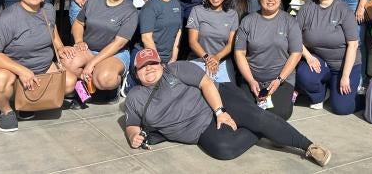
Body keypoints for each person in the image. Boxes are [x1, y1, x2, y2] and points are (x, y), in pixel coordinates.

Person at [123, 48, 331, 166]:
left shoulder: (175, 70)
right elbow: (132, 123)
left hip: (217, 99)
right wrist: (133, 135)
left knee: (257, 117)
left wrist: (220, 112)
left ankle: (308, 146)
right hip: (200, 130)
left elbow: (206, 83)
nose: (148, 69)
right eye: (143, 66)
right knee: (224, 150)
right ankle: (264, 127)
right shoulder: (134, 97)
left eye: (152, 63)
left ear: (161, 64)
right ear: (136, 71)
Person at [0, 0, 77, 131]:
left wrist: (60, 47)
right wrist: (22, 70)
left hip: (43, 67)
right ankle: (5, 108)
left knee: (69, 83)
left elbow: (51, 29)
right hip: (13, 69)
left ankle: (26, 104)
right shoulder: (6, 19)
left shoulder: (48, 9)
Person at [295, 0, 362, 115]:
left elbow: (353, 44)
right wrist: (308, 56)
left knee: (342, 109)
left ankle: (359, 98)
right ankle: (320, 95)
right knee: (304, 73)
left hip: (344, 66)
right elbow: (294, 37)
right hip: (320, 62)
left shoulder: (343, 9)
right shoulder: (306, 8)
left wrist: (345, 76)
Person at [234, 0, 302, 120]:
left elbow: (296, 53)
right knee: (242, 111)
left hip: (280, 80)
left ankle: (289, 96)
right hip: (252, 80)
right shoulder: (248, 21)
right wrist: (251, 80)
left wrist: (278, 79)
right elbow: (239, 53)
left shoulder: (290, 21)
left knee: (279, 114)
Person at [66, 0, 138, 93]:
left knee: (105, 79)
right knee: (67, 63)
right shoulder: (93, 1)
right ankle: (83, 89)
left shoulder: (130, 10)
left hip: (115, 53)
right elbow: (78, 23)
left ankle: (111, 88)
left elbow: (119, 43)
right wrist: (78, 41)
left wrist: (92, 63)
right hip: (88, 50)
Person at [186, 0, 239, 82]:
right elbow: (192, 41)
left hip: (222, 62)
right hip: (199, 60)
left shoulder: (232, 14)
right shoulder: (197, 11)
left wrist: (217, 58)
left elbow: (231, 44)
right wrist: (208, 58)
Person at [136, 0, 182, 65]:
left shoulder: (176, 4)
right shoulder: (150, 6)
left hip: (169, 59)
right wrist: (157, 63)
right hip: (151, 58)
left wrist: (173, 59)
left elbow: (178, 32)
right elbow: (146, 38)